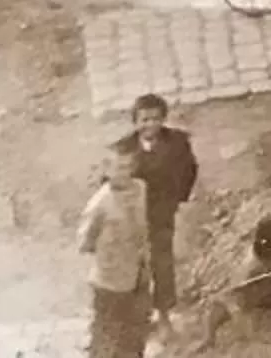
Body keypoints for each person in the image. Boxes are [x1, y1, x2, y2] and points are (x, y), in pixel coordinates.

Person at [126, 91, 197, 327]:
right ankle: (137, 311)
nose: (150, 125)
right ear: (135, 122)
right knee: (134, 263)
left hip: (161, 213)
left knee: (162, 261)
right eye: (144, 120)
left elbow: (190, 169)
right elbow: (111, 183)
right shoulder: (124, 151)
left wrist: (179, 198)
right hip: (132, 217)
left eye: (155, 118)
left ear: (163, 119)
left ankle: (164, 310)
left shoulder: (177, 143)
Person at [77, 135, 151, 358]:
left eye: (128, 166)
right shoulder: (100, 203)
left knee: (136, 330)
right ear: (106, 170)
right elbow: (85, 241)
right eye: (118, 168)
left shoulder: (141, 189)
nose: (124, 173)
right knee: (107, 336)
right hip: (109, 281)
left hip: (138, 274)